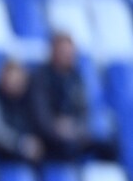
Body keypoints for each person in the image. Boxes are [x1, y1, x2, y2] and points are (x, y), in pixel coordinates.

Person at [29, 32, 117, 162]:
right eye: (63, 52)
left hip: (74, 134)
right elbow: (39, 113)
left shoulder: (76, 78)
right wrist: (55, 127)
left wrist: (74, 128)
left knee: (109, 147)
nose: (68, 56)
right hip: (49, 137)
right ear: (53, 51)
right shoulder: (40, 77)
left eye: (70, 52)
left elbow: (83, 111)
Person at [0, 57, 44, 165]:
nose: (13, 81)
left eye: (18, 77)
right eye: (10, 76)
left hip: (23, 156)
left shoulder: (27, 100)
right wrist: (20, 144)